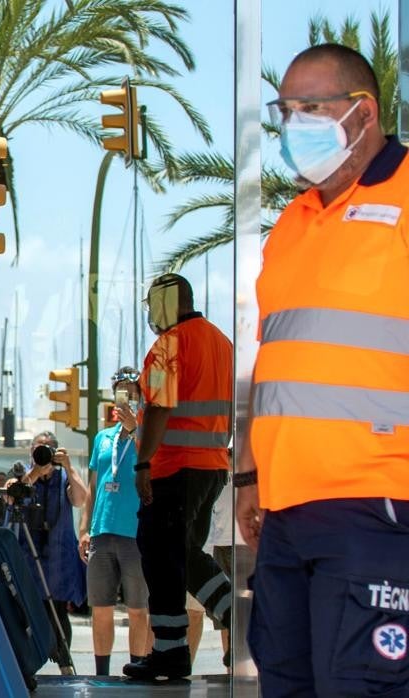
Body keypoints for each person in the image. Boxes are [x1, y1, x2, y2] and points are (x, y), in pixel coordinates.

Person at [238, 43, 409, 697]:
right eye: (286, 110)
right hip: (286, 513)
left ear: (362, 113)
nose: (293, 124)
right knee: (287, 682)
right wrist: (251, 475)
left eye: (311, 107)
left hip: (378, 510)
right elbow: (275, 359)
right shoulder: (294, 221)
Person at [124, 273, 234, 681]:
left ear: (167, 303)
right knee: (184, 553)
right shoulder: (222, 342)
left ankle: (169, 652)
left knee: (160, 554)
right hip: (211, 468)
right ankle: (236, 616)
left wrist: (143, 463)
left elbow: (158, 408)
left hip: (175, 470)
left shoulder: (169, 345)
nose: (151, 313)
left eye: (153, 304)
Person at [77, 367, 150, 676]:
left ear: (141, 396)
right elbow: (94, 485)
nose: (127, 398)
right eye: (121, 392)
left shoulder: (148, 434)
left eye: (132, 392)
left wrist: (135, 430)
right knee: (101, 608)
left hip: (135, 531)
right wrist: (84, 528)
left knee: (137, 609)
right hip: (102, 531)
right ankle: (102, 674)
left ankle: (137, 667)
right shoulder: (102, 438)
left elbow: (153, 464)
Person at [8, 431, 88, 652]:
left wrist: (69, 466)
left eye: (49, 447)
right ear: (30, 450)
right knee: (27, 612)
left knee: (58, 611)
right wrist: (36, 471)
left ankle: (63, 662)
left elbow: (80, 499)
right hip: (28, 553)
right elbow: (13, 496)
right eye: (38, 447)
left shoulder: (63, 476)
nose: (42, 451)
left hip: (59, 556)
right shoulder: (20, 471)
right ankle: (29, 664)